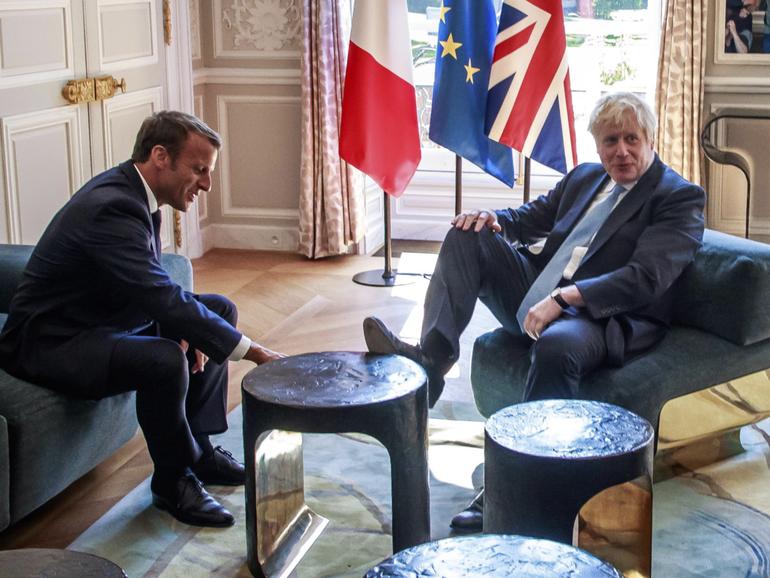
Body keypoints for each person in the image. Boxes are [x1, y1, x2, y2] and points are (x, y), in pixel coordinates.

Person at [363, 93, 706, 531]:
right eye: (610, 141)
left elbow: (646, 278)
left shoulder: (677, 197)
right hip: (540, 293)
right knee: (465, 235)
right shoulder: (585, 178)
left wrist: (565, 299)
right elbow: (529, 218)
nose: (621, 151)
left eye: (631, 139)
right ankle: (431, 362)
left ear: (650, 139)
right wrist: (492, 218)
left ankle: (513, 484)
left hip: (602, 315)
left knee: (557, 347)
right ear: (597, 146)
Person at [0, 111, 284, 528]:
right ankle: (173, 481)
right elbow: (158, 294)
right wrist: (255, 352)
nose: (206, 183)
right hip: (51, 343)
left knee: (218, 308)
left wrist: (185, 325)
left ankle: (200, 449)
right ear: (160, 157)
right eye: (200, 169)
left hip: (101, 320)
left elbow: (143, 284)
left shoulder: (135, 193)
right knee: (164, 359)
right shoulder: (111, 207)